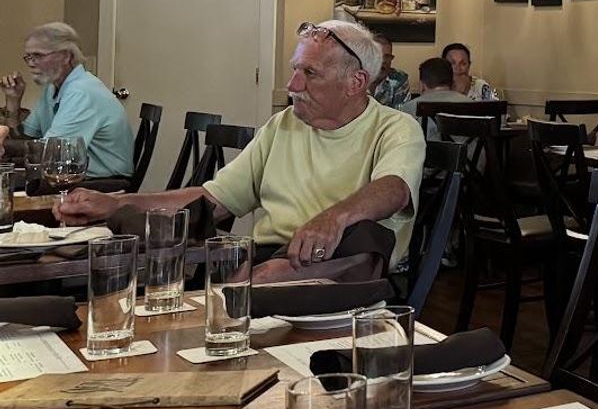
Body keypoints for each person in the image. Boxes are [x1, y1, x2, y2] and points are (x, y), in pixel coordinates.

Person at [56, 19, 425, 267]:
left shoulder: (395, 127)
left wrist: (333, 218)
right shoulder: (283, 125)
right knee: (94, 260)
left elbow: (394, 189)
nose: (293, 86)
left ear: (356, 82)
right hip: (266, 260)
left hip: (337, 271)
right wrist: (115, 204)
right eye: (295, 69)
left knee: (349, 241)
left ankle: (230, 304)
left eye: (310, 73)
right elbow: (213, 201)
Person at [0, 22, 134, 179]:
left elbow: (53, 152)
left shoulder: (82, 91)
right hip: (66, 172)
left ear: (66, 56)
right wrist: (13, 101)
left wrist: (4, 144)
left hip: (102, 182)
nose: (30, 63)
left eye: (38, 55)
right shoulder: (52, 87)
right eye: (28, 56)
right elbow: (26, 138)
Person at [399, 57, 471, 139]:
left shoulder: (407, 110)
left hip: (428, 152)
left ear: (422, 86)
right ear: (452, 84)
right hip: (472, 152)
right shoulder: (474, 106)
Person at [370, 35, 410, 108]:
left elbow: (400, 114)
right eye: (379, 56)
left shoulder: (399, 79)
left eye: (387, 56)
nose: (384, 61)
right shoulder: (356, 77)